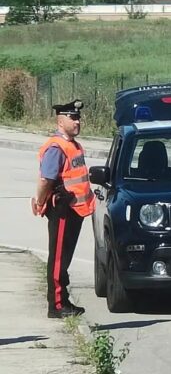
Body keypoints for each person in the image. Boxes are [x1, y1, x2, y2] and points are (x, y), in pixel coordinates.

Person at [32, 99, 95, 318]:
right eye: (73, 117)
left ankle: (63, 300)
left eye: (78, 117)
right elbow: (46, 180)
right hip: (62, 209)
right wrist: (39, 202)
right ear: (60, 121)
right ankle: (56, 305)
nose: (77, 121)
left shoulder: (74, 145)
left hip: (74, 209)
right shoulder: (56, 147)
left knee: (65, 258)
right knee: (58, 258)